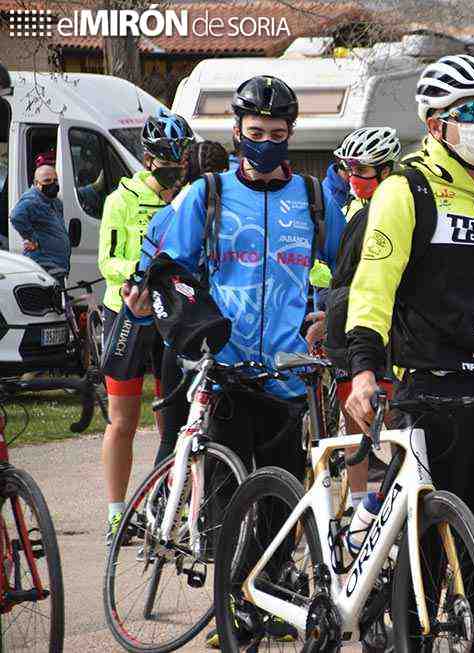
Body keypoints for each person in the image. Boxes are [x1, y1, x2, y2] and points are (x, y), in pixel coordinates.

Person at [126, 75, 345, 647]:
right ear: (236, 132)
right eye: (255, 133)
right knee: (226, 505)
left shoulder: (317, 199)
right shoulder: (208, 194)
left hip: (289, 376)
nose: (266, 142)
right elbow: (170, 265)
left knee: (279, 506)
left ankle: (264, 600)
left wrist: (330, 315)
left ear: (291, 134)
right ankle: (229, 613)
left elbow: (350, 270)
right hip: (224, 371)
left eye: (277, 133)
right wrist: (153, 299)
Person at [343, 53, 474, 651]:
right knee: (425, 558)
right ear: (436, 125)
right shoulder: (404, 190)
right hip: (429, 394)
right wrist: (363, 369)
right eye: (472, 112)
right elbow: (372, 289)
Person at [100, 107, 193, 545]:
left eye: (183, 155)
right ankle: (117, 513)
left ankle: (161, 505)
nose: (178, 164)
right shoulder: (121, 200)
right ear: (150, 157)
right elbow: (108, 262)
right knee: (123, 421)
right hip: (128, 317)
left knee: (173, 424)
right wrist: (137, 276)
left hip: (169, 317)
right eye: (169, 156)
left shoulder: (190, 199)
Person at [304, 126, 401, 511]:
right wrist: (328, 316)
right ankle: (359, 507)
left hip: (385, 329)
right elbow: (341, 276)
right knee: (351, 418)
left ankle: (388, 502)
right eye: (349, 170)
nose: (353, 178)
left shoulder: (393, 211)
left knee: (391, 421)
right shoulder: (352, 210)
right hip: (346, 322)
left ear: (386, 170)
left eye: (362, 171)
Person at [137, 140, 230, 465]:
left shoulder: (164, 216)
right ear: (223, 174)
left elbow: (145, 272)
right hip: (217, 337)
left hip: (175, 336)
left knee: (172, 435)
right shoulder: (227, 211)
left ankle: (160, 508)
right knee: (219, 438)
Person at [9, 164, 70, 283]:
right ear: (37, 183)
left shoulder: (53, 201)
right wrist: (32, 239)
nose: (53, 184)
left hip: (56, 265)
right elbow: (16, 216)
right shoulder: (32, 200)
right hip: (45, 266)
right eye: (47, 180)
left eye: (55, 180)